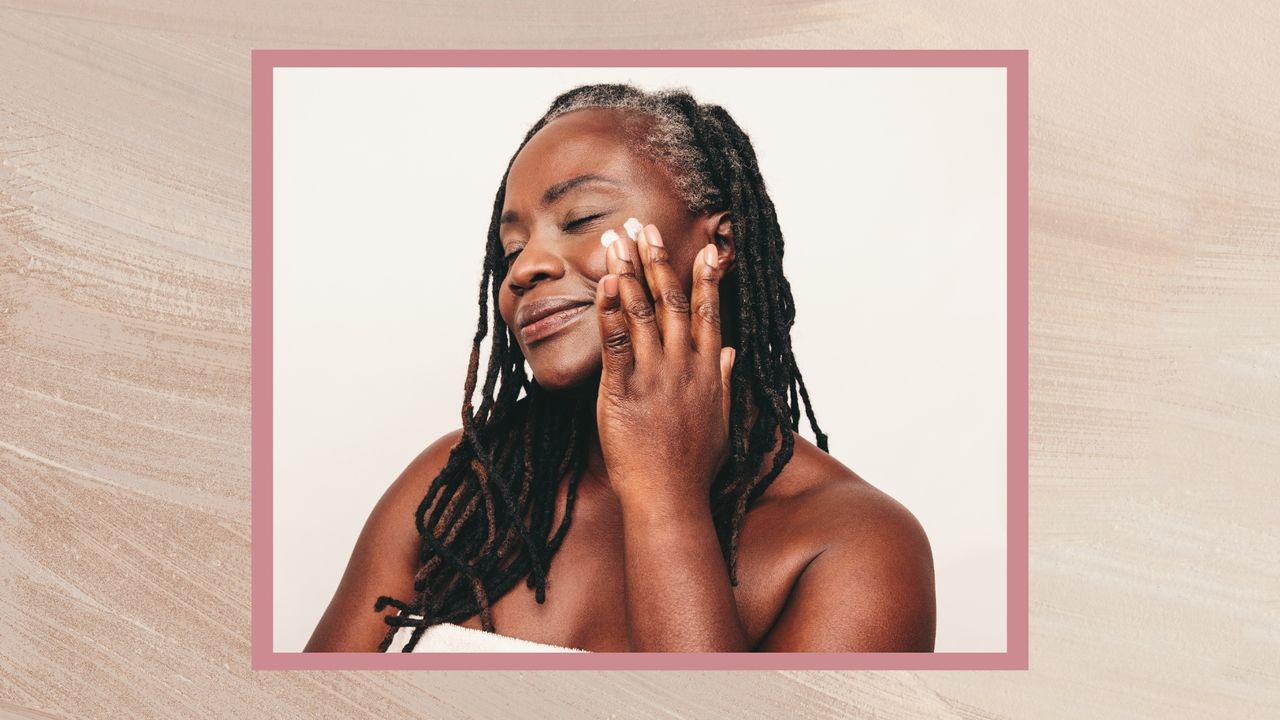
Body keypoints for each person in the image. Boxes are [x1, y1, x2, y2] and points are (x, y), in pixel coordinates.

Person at [305, 83, 936, 653]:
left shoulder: (857, 545)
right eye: (512, 248)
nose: (523, 270)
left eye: (580, 219)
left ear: (720, 244)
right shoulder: (460, 485)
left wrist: (666, 493)